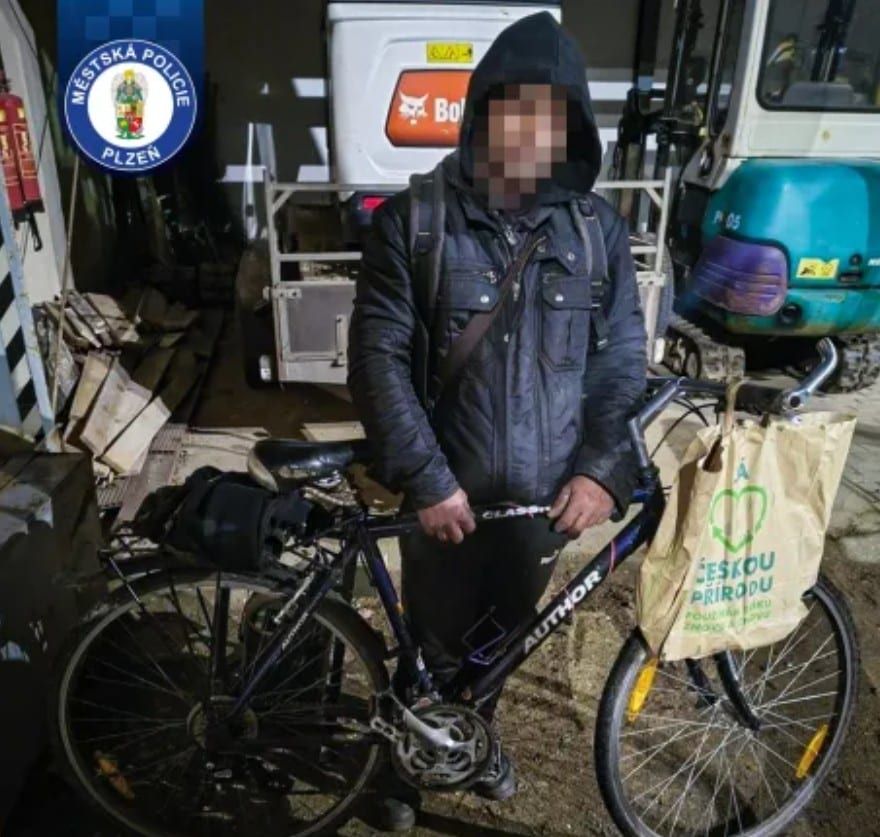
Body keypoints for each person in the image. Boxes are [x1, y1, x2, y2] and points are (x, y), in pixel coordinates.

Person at [348, 11, 646, 831]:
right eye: (515, 108)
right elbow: (376, 360)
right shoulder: (415, 222)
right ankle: (401, 767)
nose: (529, 131)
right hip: (445, 497)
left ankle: (472, 741)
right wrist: (426, 478)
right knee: (432, 639)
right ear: (482, 113)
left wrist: (601, 469)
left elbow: (621, 362)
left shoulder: (597, 234)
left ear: (570, 128)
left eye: (550, 114)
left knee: (506, 639)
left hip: (546, 503)